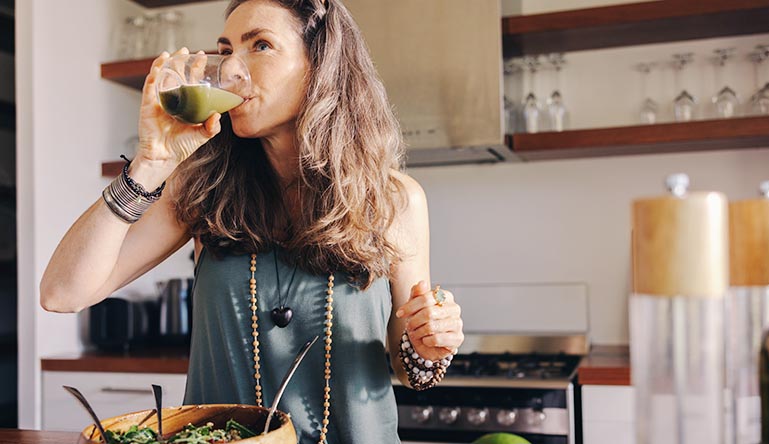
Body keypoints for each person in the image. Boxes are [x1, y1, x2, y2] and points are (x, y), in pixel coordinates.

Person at [40, 0, 465, 442]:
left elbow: (410, 367)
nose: (231, 69)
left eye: (260, 45)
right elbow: (61, 293)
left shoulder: (394, 200)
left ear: (320, 64)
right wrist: (149, 164)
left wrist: (428, 344)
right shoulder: (201, 188)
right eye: (226, 50)